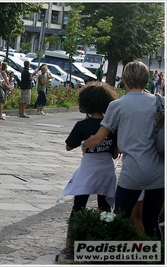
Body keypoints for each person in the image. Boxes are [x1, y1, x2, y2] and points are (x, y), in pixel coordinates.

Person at [82, 61, 165, 240]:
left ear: (125, 81)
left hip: (133, 173)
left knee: (120, 217)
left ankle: (119, 257)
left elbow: (98, 138)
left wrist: (84, 144)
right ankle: (158, 261)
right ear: (147, 79)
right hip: (159, 173)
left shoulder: (118, 105)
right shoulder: (161, 101)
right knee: (151, 222)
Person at [56, 82, 118, 247]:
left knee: (78, 207)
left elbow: (69, 146)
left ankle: (69, 245)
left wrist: (85, 142)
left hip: (88, 169)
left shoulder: (82, 125)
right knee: (105, 209)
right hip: (106, 170)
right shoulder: (111, 126)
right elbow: (115, 153)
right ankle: (105, 242)